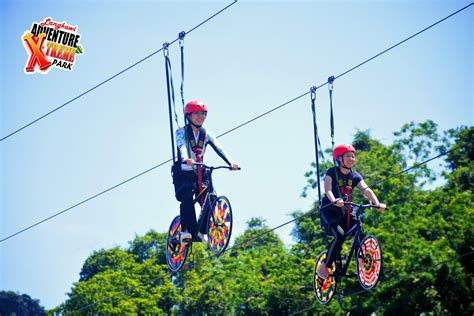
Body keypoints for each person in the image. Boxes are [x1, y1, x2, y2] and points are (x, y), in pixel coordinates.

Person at [172, 100, 239, 244]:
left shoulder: (206, 134)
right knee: (187, 197)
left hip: (200, 170)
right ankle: (186, 231)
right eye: (197, 114)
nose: (200, 117)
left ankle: (203, 230)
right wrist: (185, 158)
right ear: (188, 115)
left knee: (211, 196)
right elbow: (182, 146)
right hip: (184, 172)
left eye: (203, 114)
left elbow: (219, 148)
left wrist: (230, 163)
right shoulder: (181, 132)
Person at [317, 144, 386, 279]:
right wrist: (334, 200)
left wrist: (376, 203)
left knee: (359, 232)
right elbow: (328, 189)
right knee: (340, 235)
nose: (351, 159)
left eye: (353, 156)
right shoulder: (331, 172)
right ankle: (326, 264)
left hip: (345, 212)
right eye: (348, 156)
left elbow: (366, 189)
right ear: (339, 158)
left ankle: (361, 263)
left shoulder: (354, 175)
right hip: (330, 212)